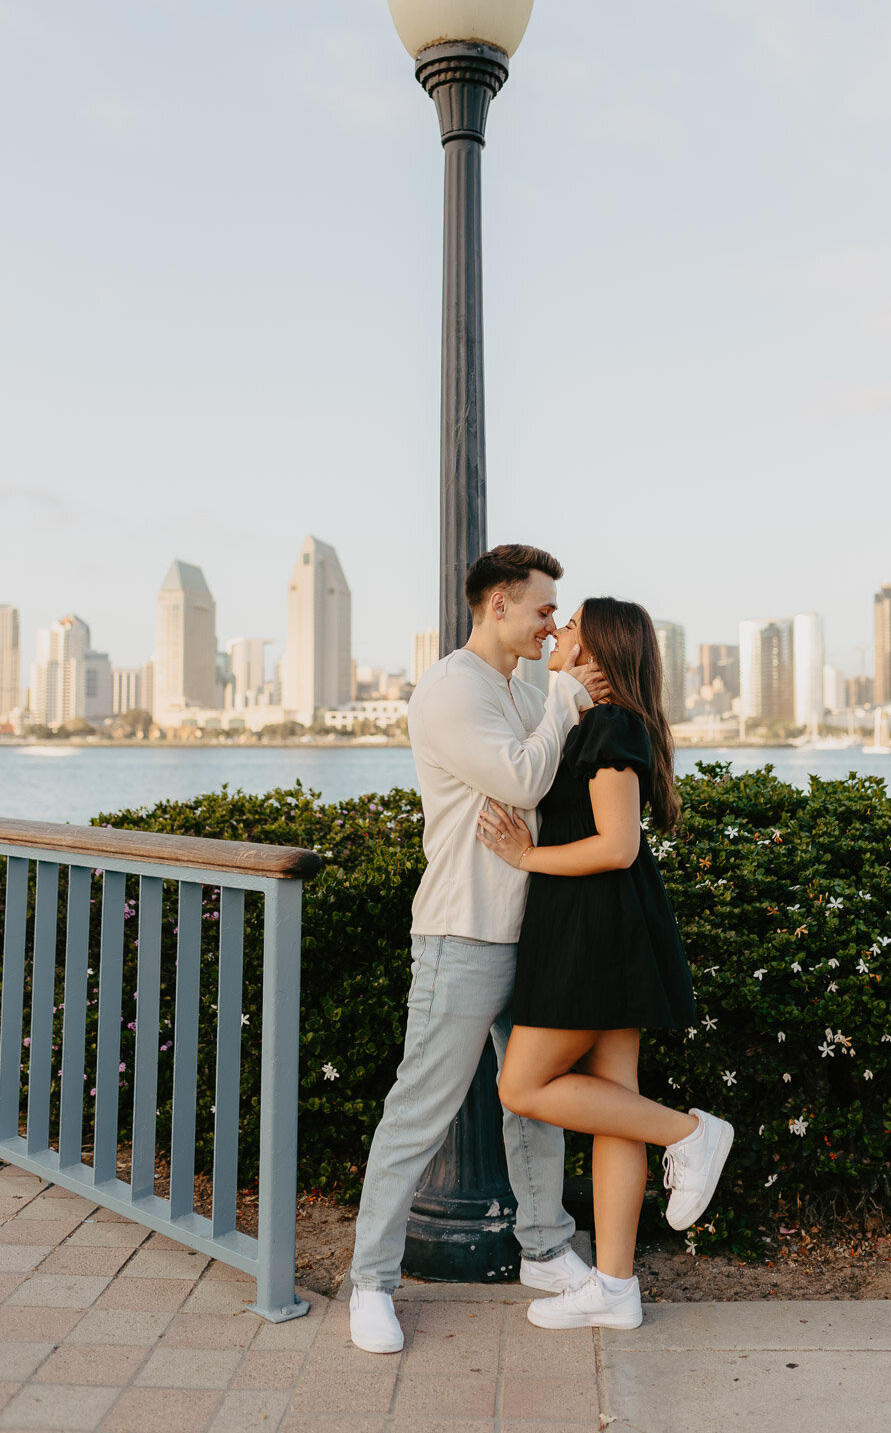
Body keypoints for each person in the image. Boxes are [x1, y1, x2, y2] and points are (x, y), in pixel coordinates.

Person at [348, 544, 610, 1353]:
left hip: (530, 930)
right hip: (462, 932)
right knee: (417, 1112)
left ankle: (544, 1249)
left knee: (532, 1101)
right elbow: (523, 782)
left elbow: (552, 783)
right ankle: (371, 1284)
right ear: (496, 603)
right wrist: (566, 697)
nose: (551, 623)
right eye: (540, 608)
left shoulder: (520, 685)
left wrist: (565, 698)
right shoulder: (451, 688)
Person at [476, 597, 733, 1331]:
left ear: (596, 651)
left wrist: (525, 856)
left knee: (522, 1085)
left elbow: (616, 845)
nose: (556, 632)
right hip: (598, 924)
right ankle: (615, 1291)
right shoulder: (589, 720)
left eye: (571, 625)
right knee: (615, 1104)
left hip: (594, 928)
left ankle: (690, 1133)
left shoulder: (611, 726)